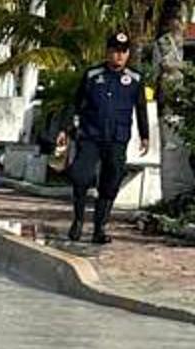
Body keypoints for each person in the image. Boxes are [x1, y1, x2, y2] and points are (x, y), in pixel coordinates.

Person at [61, 31, 149, 243]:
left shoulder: (135, 79)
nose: (119, 56)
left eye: (123, 52)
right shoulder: (92, 75)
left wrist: (145, 136)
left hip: (117, 138)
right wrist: (65, 129)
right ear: (107, 52)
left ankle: (100, 228)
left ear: (128, 54)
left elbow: (141, 108)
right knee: (80, 176)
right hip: (91, 135)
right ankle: (78, 221)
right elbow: (76, 102)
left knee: (111, 181)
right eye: (115, 51)